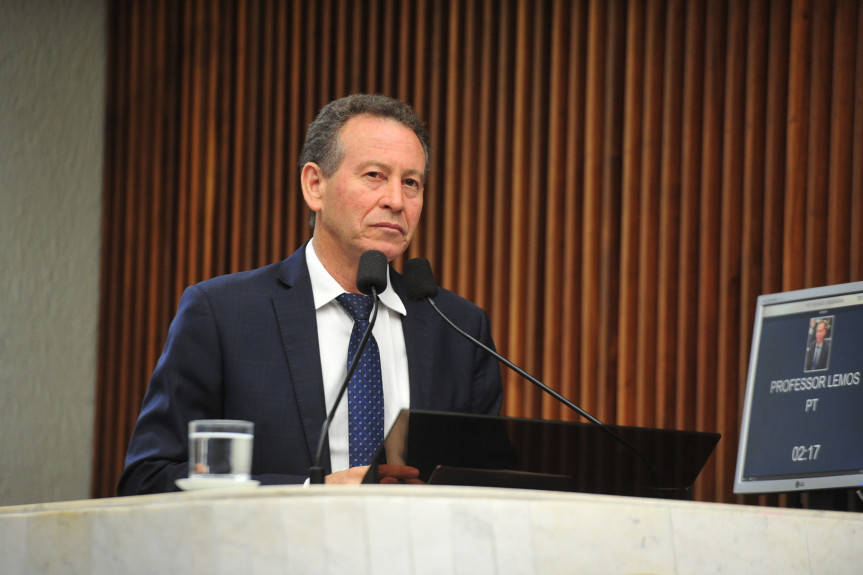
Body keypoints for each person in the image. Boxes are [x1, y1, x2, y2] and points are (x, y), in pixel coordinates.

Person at [117, 94, 504, 494]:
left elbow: (487, 485)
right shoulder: (222, 315)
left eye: (411, 183)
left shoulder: (459, 329)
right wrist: (310, 489)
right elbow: (148, 480)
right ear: (314, 185)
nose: (396, 200)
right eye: (374, 175)